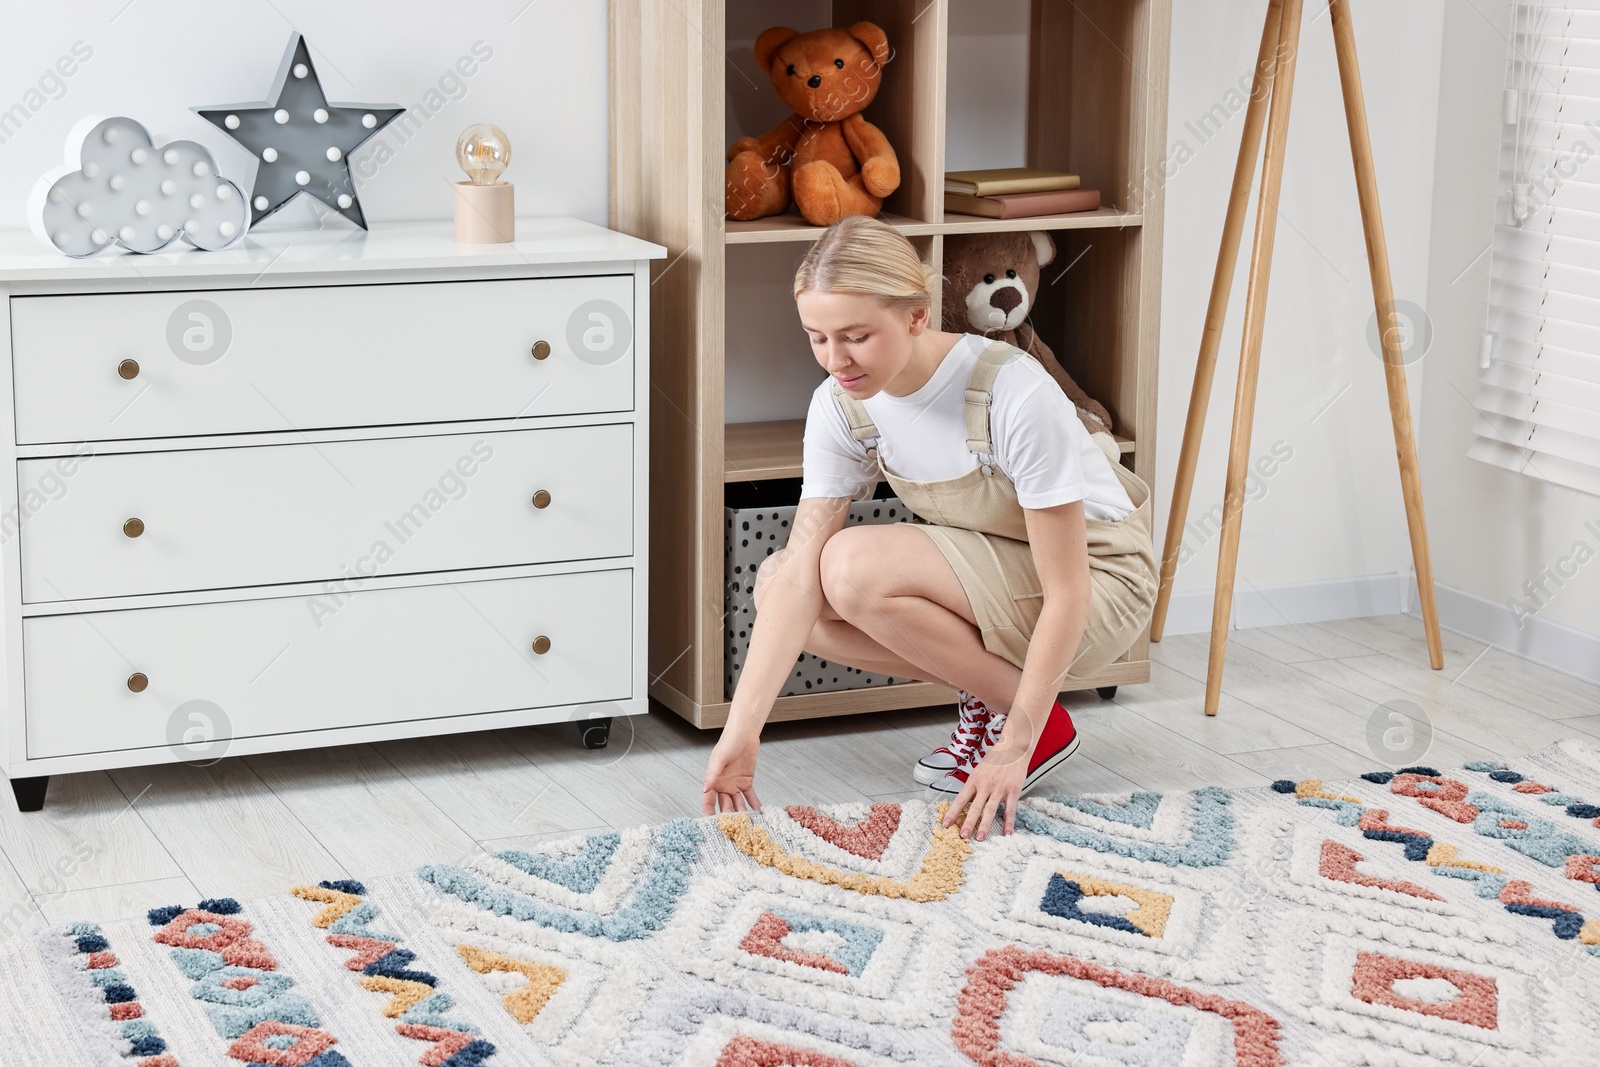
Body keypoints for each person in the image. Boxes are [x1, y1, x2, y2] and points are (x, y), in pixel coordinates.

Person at [701, 215, 1158, 841]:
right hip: (1000, 567)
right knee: (782, 578)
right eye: (817, 337)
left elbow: (1069, 590)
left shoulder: (1010, 390)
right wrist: (742, 735)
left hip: (1101, 584)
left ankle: (1023, 723)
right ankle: (1018, 706)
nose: (836, 360)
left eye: (857, 336)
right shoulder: (840, 403)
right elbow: (798, 577)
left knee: (850, 567)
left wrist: (1012, 750)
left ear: (917, 315)